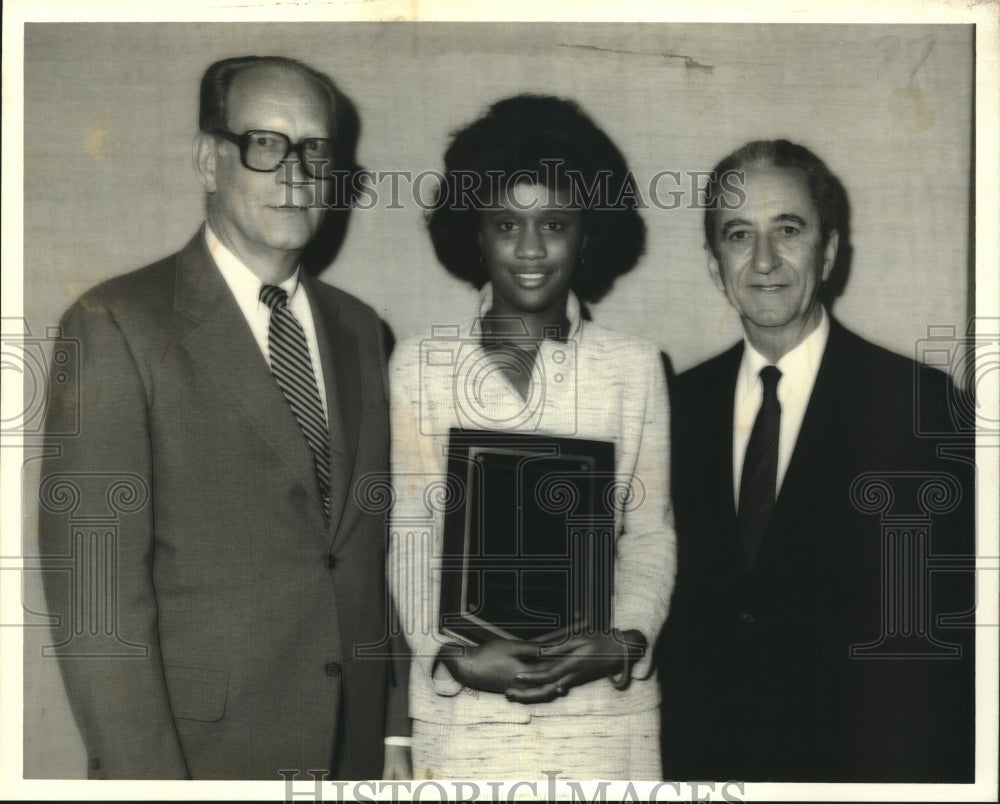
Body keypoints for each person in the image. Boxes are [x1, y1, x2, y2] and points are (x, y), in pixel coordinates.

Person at [38, 55, 409, 780]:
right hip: (204, 762)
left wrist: (392, 733)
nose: (296, 173)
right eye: (265, 144)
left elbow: (368, 551)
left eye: (315, 149)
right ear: (210, 160)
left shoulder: (362, 329)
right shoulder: (116, 324)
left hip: (359, 755)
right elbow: (96, 603)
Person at [659, 139, 975, 782]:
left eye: (790, 230)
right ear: (715, 265)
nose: (765, 260)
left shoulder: (917, 405)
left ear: (828, 250)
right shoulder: (672, 406)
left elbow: (944, 640)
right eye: (739, 234)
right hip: (702, 770)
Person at [388, 95, 675, 780]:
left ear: (587, 235)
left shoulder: (633, 367)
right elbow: (411, 533)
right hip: (462, 723)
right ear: (473, 232)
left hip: (604, 724)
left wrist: (624, 642)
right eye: (504, 222)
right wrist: (450, 653)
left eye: (554, 223)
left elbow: (650, 532)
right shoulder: (419, 365)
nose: (529, 248)